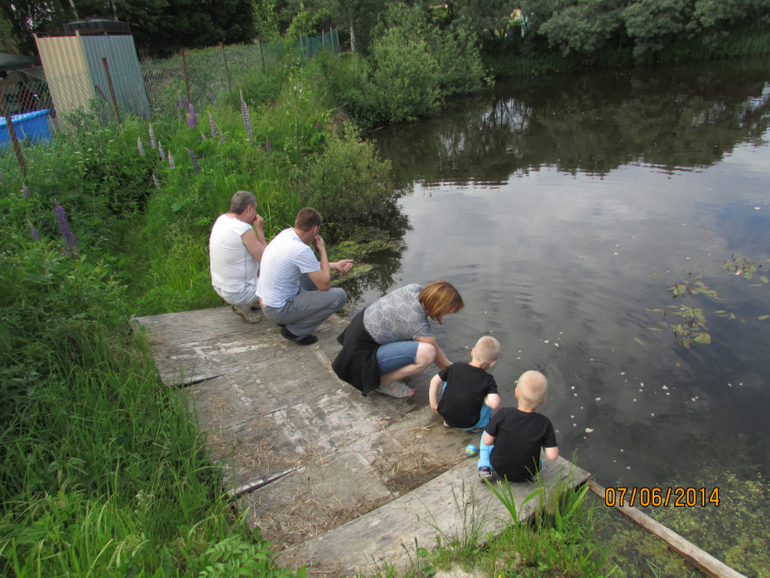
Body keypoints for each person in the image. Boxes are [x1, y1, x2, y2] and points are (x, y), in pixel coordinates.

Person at [332, 281, 464, 398]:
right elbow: (440, 361)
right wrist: (463, 374)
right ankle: (383, 383)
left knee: (420, 341)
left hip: (356, 333)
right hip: (362, 355)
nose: (448, 314)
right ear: (438, 306)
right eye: (447, 311)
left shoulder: (414, 289)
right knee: (428, 353)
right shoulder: (415, 320)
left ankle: (389, 371)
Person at [257, 208, 353, 346]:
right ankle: (296, 331)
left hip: (267, 302)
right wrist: (322, 250)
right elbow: (324, 285)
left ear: (297, 222)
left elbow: (310, 266)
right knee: (340, 296)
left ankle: (291, 318)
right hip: (278, 309)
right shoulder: (301, 249)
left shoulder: (286, 234)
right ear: (314, 230)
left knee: (310, 276)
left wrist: (335, 265)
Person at [477, 370, 559, 482]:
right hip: (528, 474)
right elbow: (552, 456)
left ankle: (484, 465)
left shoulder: (503, 413)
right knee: (539, 461)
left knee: (486, 433)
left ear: (516, 392)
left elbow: (487, 441)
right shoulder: (545, 422)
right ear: (544, 399)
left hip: (499, 468)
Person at [209, 191, 267, 323]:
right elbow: (266, 260)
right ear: (249, 208)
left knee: (249, 263)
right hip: (237, 292)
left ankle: (247, 303)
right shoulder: (244, 230)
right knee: (280, 281)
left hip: (219, 285)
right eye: (255, 209)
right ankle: (245, 303)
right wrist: (259, 230)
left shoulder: (222, 219)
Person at [429, 335, 501, 431]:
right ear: (493, 363)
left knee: (448, 381)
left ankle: (448, 422)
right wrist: (485, 398)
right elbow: (494, 404)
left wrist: (434, 405)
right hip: (469, 423)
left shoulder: (455, 367)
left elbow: (434, 381)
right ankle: (480, 426)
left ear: (472, 351)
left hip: (446, 416)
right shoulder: (488, 379)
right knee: (489, 396)